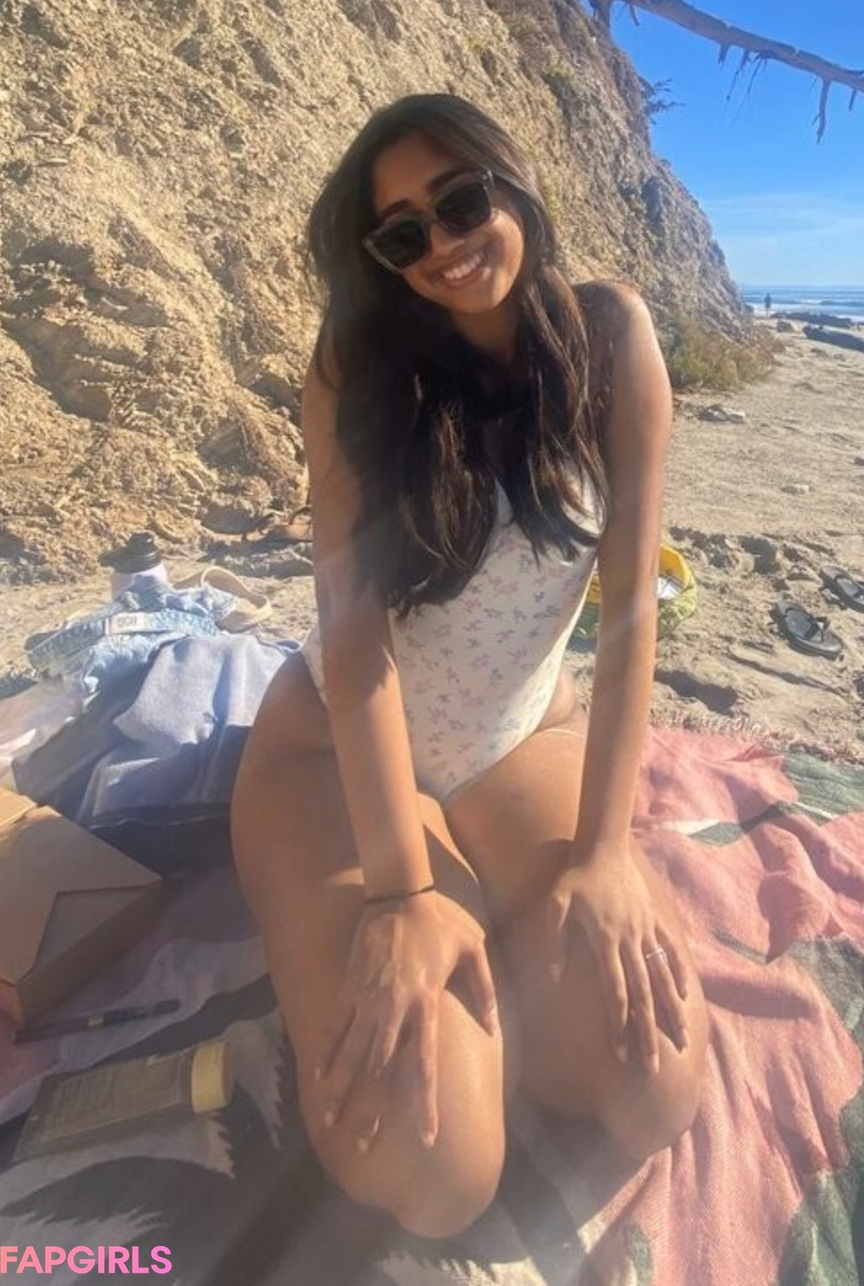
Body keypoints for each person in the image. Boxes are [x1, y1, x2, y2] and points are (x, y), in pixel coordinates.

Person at [231, 93, 708, 1238]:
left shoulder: (612, 341)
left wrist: (605, 849)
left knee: (653, 1084)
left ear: (512, 179)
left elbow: (630, 611)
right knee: (438, 1163)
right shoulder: (357, 374)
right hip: (335, 753)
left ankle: (496, 948)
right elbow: (353, 637)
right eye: (403, 232)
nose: (441, 243)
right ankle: (449, 931)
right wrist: (403, 891)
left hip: (515, 737)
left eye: (458, 201)